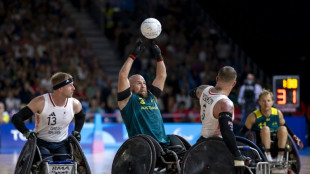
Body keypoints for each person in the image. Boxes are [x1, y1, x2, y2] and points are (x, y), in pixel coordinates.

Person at [12, 72, 86, 161]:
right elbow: (16, 118)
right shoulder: (40, 102)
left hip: (62, 143)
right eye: (70, 85)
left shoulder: (75, 104)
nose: (74, 88)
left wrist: (77, 131)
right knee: (46, 165)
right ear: (61, 88)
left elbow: (81, 117)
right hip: (41, 143)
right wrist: (26, 132)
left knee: (67, 165)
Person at [189, 66, 249, 172]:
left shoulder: (204, 90)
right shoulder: (225, 104)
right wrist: (237, 156)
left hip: (201, 143)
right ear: (234, 83)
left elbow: (192, 93)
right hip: (217, 148)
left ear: (217, 78)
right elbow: (226, 132)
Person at [117, 39, 170, 146]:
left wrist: (159, 56)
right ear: (130, 86)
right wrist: (132, 56)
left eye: (144, 83)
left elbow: (161, 76)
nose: (143, 86)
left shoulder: (152, 96)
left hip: (163, 143)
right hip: (143, 147)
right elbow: (123, 75)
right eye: (138, 83)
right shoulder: (127, 101)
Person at [239, 89, 304, 162]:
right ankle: (268, 157)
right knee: (266, 129)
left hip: (276, 145)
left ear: (272, 102)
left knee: (283, 128)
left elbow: (286, 126)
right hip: (260, 146)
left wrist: (295, 138)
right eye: (263, 101)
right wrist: (238, 145)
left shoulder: (277, 113)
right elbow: (243, 132)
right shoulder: (253, 116)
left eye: (268, 100)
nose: (266, 103)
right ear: (259, 102)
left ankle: (280, 156)